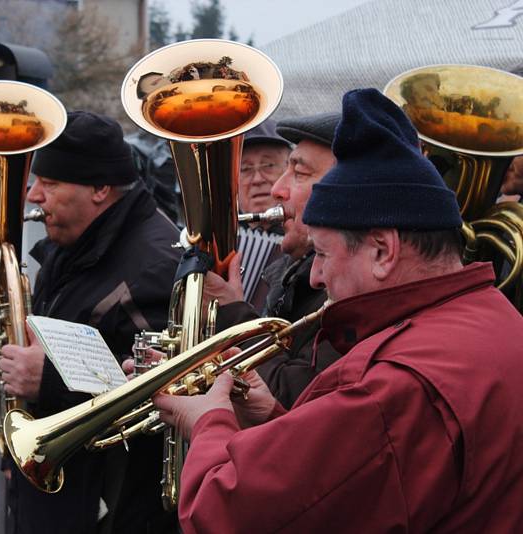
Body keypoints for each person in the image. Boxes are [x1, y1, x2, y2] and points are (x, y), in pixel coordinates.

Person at [154, 88, 523, 533]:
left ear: (383, 250)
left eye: (324, 255)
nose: (315, 277)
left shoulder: (396, 384)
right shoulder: (497, 316)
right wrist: (275, 418)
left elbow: (225, 513)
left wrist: (208, 421)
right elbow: (376, 477)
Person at [0, 111, 181, 534]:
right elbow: (52, 348)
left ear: (100, 189)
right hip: (61, 496)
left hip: (113, 509)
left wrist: (48, 380)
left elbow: (162, 391)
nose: (33, 196)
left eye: (49, 184)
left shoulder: (156, 263)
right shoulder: (69, 248)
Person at [207, 111, 341, 408]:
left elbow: (291, 397)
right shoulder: (293, 264)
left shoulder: (339, 287)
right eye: (244, 170)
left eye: (298, 172)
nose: (271, 188)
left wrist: (234, 316)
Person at [235, 120, 291, 311]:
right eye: (245, 169)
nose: (258, 179)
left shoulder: (310, 243)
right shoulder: (217, 244)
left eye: (268, 165)